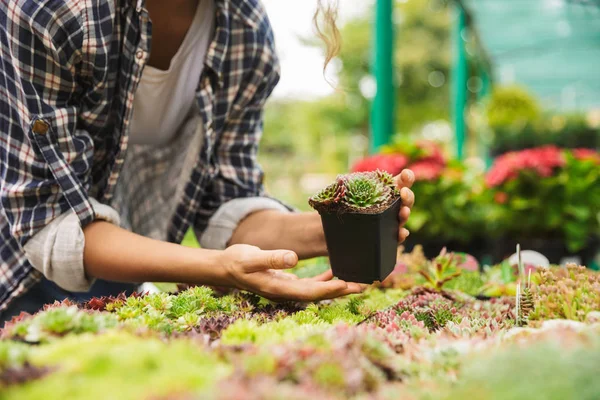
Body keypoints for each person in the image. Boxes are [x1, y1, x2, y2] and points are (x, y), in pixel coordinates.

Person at [0, 0, 415, 322]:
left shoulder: (244, 29)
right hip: (16, 277)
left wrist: (340, 227)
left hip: (123, 269)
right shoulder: (55, 11)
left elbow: (225, 202)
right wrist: (217, 268)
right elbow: (49, 221)